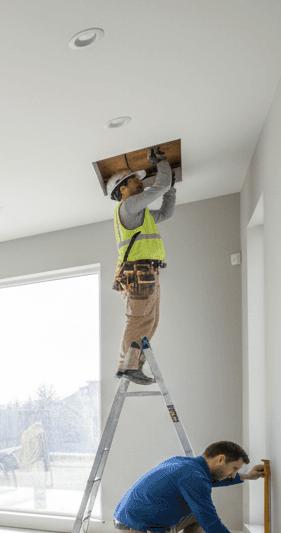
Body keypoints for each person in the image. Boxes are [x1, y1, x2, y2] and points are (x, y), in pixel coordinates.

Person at [103, 441, 269, 533]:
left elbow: (212, 480)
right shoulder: (194, 477)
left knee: (198, 516)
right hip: (136, 527)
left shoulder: (186, 464)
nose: (233, 474)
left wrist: (247, 476)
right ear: (220, 459)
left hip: (143, 519)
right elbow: (212, 524)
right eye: (234, 468)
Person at [106, 147, 176, 385]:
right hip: (138, 271)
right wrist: (162, 164)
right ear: (121, 189)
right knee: (138, 320)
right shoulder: (129, 207)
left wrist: (171, 188)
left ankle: (134, 365)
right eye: (134, 181)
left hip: (147, 271)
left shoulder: (140, 214)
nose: (140, 183)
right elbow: (160, 186)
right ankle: (127, 367)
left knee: (150, 320)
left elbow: (166, 214)